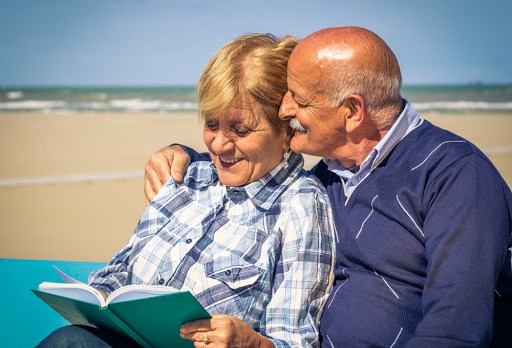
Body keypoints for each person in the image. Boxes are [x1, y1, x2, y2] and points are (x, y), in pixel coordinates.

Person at [144, 26, 512, 347]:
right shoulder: (325, 177)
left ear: (352, 111)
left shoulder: (455, 174)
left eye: (298, 100)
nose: (284, 110)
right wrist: (186, 156)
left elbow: (458, 328)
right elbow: (252, 162)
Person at [37, 33, 335, 348]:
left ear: (286, 129)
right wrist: (97, 297)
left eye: (240, 129)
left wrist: (254, 344)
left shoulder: (301, 207)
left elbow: (295, 341)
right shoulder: (188, 181)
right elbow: (119, 273)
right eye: (211, 124)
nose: (219, 145)